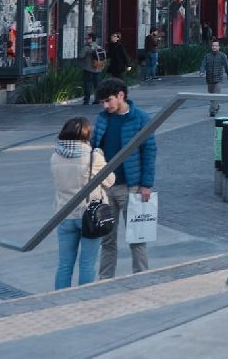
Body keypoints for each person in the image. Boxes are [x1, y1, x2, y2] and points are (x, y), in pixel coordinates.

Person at [90, 79, 156, 279]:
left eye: (108, 101)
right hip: (105, 188)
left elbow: (149, 151)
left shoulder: (141, 118)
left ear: (121, 95)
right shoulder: (102, 119)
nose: (105, 106)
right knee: (107, 240)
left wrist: (146, 185)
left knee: (137, 238)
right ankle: (105, 281)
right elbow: (93, 148)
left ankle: (141, 278)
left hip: (132, 187)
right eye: (102, 102)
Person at [52, 116, 115, 289]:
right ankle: (83, 300)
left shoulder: (55, 156)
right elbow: (110, 180)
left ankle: (59, 300)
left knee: (64, 265)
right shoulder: (93, 158)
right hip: (89, 215)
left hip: (63, 214)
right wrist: (101, 157)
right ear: (86, 135)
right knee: (87, 264)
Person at [202, 40, 228, 117]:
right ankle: (216, 106)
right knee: (211, 95)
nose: (214, 47)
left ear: (219, 47)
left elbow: (227, 67)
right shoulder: (207, 56)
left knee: (215, 95)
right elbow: (203, 64)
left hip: (218, 79)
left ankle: (212, 110)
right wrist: (201, 71)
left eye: (216, 46)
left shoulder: (222, 56)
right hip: (209, 79)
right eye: (213, 46)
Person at [81, 33, 107, 105]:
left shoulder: (87, 47)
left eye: (88, 38)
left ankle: (86, 100)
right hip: (97, 69)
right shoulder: (98, 47)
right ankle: (97, 100)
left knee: (87, 85)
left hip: (88, 69)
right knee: (97, 85)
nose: (86, 39)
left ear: (91, 39)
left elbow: (81, 55)